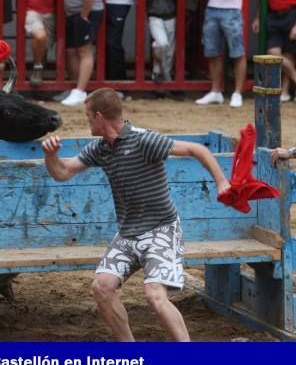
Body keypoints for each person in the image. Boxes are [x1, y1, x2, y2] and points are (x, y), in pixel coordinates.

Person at [42, 88, 231, 341]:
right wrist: (50, 156)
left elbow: (199, 150)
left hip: (161, 229)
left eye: (88, 117)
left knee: (154, 295)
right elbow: (63, 173)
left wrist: (222, 183)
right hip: (128, 233)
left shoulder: (144, 140)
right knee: (102, 287)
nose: (86, 121)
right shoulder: (100, 148)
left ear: (99, 116)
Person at [195, 0, 249, 108]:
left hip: (232, 10)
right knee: (212, 52)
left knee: (237, 52)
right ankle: (215, 91)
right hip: (212, 9)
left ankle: (238, 93)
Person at [5, 0, 58, 87]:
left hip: (50, 11)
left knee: (44, 44)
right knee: (40, 36)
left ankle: (39, 79)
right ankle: (38, 68)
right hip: (30, 10)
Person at [59, 0, 104, 106]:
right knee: (73, 50)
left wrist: (84, 15)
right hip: (76, 13)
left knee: (84, 51)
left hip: (86, 13)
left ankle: (80, 91)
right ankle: (74, 88)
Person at [252, 0, 296, 103]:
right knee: (274, 53)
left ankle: (284, 92)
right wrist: (257, 17)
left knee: (289, 55)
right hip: (273, 14)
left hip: (292, 14)